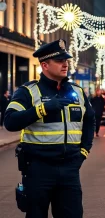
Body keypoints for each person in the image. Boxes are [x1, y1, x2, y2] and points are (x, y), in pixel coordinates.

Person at [4, 39, 95, 218]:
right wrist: (42, 109)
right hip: (38, 169)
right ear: (45, 65)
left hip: (70, 168)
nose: (65, 64)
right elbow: (10, 121)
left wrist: (83, 152)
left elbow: (90, 121)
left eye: (66, 60)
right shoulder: (28, 92)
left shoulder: (77, 92)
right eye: (60, 61)